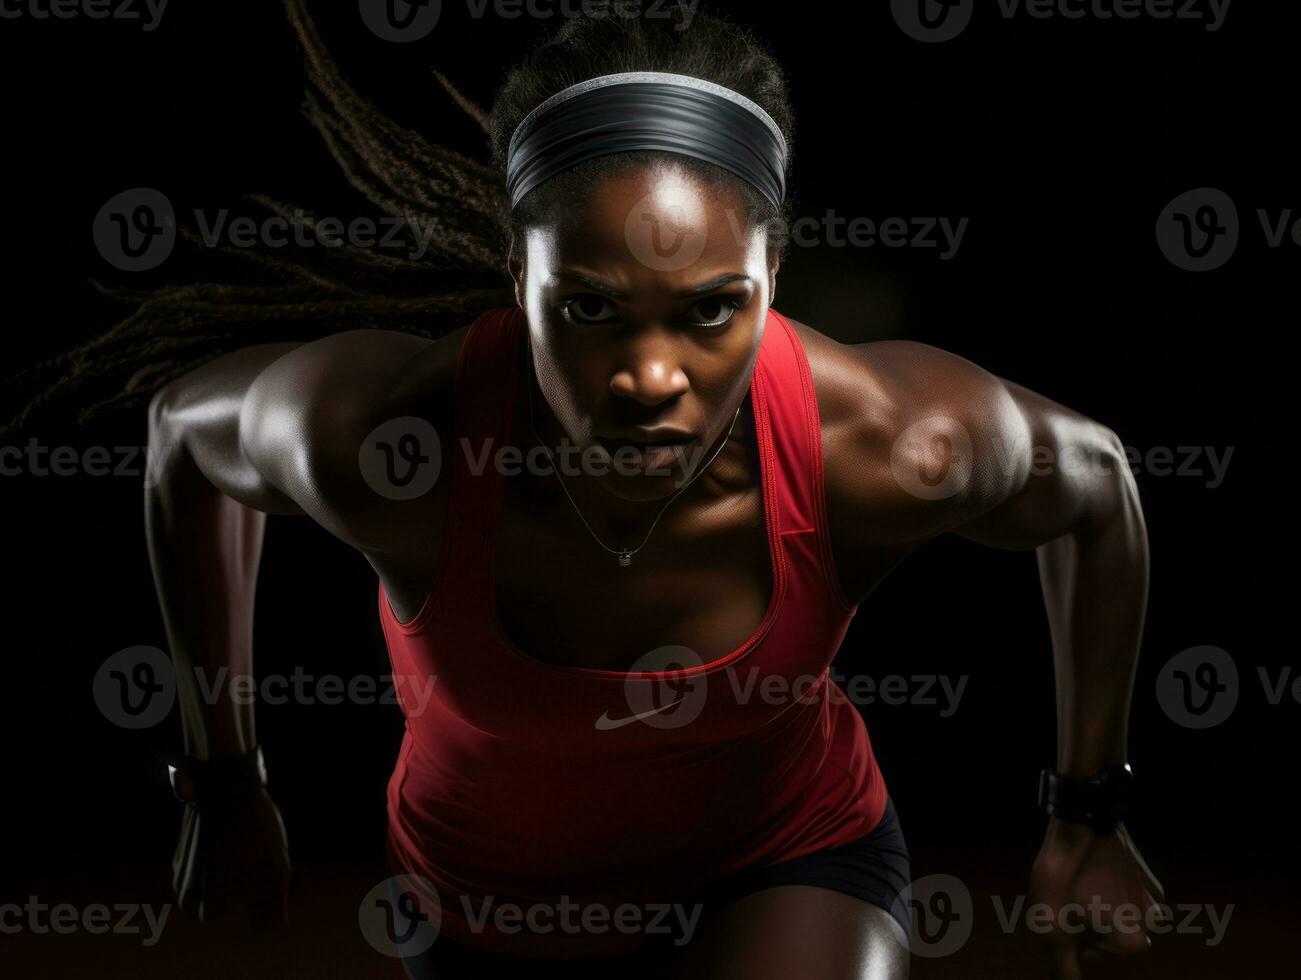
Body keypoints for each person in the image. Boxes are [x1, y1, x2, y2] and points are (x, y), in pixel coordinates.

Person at [134, 4, 1165, 978]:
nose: (649, 379)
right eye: (586, 307)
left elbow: (1096, 483)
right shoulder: (388, 442)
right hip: (489, 907)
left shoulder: (884, 445)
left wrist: (1087, 810)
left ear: (772, 273)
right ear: (515, 271)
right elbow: (180, 435)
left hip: (782, 861)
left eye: (713, 309)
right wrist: (221, 779)